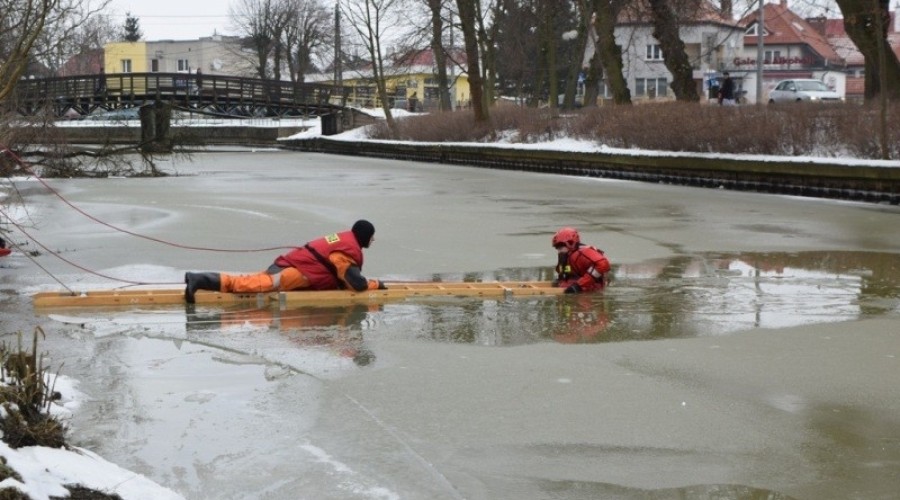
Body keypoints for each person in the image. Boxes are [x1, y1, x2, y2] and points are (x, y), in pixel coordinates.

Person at [184, 220, 386, 303]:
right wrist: (376, 284)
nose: (373, 240)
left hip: (293, 267)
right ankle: (199, 280)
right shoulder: (347, 250)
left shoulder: (342, 240)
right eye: (372, 237)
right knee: (249, 284)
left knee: (252, 280)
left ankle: (200, 280)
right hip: (295, 272)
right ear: (364, 236)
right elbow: (356, 284)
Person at [552, 227, 611, 294]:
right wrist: (560, 279)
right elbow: (568, 270)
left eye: (560, 247)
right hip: (579, 281)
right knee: (563, 285)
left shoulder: (584, 252)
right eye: (557, 248)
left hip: (591, 285)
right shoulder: (566, 255)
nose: (559, 251)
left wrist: (579, 286)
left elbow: (603, 264)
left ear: (570, 243)